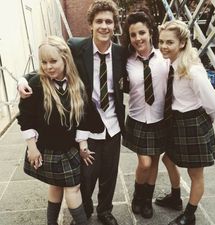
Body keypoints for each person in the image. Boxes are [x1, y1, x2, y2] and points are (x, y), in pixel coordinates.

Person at [18, 1, 126, 225]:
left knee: (109, 172)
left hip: (113, 123)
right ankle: (83, 212)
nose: (104, 26)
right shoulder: (76, 47)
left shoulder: (121, 53)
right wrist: (22, 80)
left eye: (108, 21)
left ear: (114, 25)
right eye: (99, 21)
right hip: (86, 124)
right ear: (91, 25)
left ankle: (105, 210)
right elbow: (47, 64)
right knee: (83, 176)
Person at [17, 36, 89, 225]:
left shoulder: (76, 84)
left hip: (69, 149)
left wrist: (83, 144)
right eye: (44, 62)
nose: (48, 67)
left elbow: (82, 117)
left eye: (53, 61)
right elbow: (25, 118)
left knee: (58, 186)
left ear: (65, 58)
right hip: (46, 150)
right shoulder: (36, 84)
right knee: (70, 188)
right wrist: (32, 148)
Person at [158, 20, 215, 225]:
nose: (164, 46)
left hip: (192, 122)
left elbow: (212, 103)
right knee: (168, 159)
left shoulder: (192, 70)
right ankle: (175, 197)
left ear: (182, 43)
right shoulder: (172, 62)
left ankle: (189, 215)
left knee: (195, 173)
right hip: (176, 121)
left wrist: (203, 125)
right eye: (161, 41)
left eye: (169, 42)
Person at [121, 7, 170, 219]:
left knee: (155, 161)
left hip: (160, 118)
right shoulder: (126, 59)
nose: (138, 38)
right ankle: (137, 196)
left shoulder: (164, 57)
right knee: (145, 162)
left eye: (141, 32)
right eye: (133, 34)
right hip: (138, 118)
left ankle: (147, 200)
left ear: (150, 31)